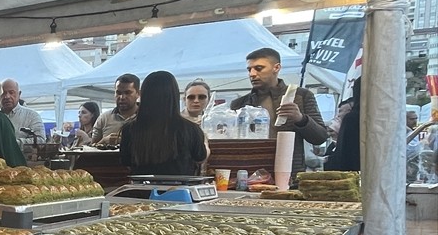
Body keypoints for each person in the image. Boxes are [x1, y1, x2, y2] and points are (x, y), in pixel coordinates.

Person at [229, 48, 327, 178]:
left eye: (259, 68)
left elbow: (320, 137)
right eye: (249, 69)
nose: (252, 74)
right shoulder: (239, 104)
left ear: (276, 68)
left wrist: (301, 119)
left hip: (289, 173)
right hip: (249, 172)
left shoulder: (301, 96)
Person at [118, 71, 208, 176]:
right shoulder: (191, 129)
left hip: (141, 189)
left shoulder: (129, 129)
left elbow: (126, 162)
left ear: (143, 95)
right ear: (174, 95)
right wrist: (205, 143)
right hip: (179, 189)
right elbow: (200, 158)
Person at [90, 74, 140, 147]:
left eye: (127, 93)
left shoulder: (147, 117)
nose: (122, 97)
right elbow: (91, 150)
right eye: (118, 93)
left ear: (138, 94)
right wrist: (104, 141)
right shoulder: (104, 118)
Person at [325, 77, 361, 173]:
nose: (338, 115)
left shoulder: (353, 119)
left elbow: (344, 159)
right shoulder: (354, 118)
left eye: (340, 112)